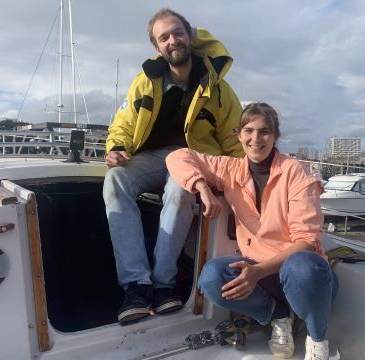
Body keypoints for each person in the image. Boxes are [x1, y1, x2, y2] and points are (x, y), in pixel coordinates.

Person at [103, 8, 244, 324]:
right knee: (115, 181)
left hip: (193, 160)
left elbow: (235, 142)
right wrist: (116, 148)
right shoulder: (144, 83)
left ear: (189, 36)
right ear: (157, 47)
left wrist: (244, 185)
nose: (172, 40)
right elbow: (122, 124)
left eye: (177, 33)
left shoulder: (218, 89)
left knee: (181, 189)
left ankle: (164, 285)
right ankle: (137, 285)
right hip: (152, 158)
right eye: (163, 37)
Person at [166, 103, 338, 359]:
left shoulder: (295, 173)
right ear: (239, 134)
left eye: (265, 131)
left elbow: (307, 242)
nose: (255, 139)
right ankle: (277, 315)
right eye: (249, 130)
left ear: (275, 136)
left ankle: (317, 337)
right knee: (212, 278)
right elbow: (177, 156)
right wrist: (202, 188)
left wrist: (256, 272)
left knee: (301, 265)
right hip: (262, 274)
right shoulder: (231, 169)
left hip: (306, 276)